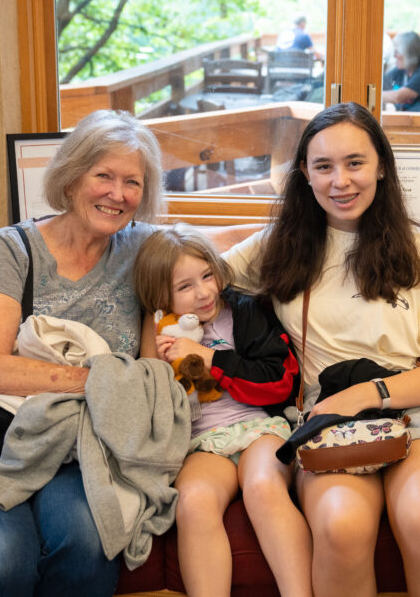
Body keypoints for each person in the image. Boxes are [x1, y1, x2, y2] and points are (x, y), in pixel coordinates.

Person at [224, 102, 420, 597]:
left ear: (381, 166)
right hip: (327, 411)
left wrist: (368, 393)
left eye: (355, 163)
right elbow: (196, 275)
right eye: (323, 166)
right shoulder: (278, 246)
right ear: (305, 174)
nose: (340, 180)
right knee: (342, 525)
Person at [0, 109, 164, 597]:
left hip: (75, 447)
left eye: (132, 182)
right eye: (103, 175)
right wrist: (105, 382)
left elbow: (232, 256)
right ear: (70, 180)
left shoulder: (145, 249)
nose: (118, 193)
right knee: (4, 559)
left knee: (88, 545)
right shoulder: (12, 248)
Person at [132, 225, 312, 597]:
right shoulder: (156, 329)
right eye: (185, 287)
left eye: (207, 276)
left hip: (259, 428)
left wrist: (208, 357)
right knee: (194, 502)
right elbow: (152, 403)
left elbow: (279, 380)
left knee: (263, 486)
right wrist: (157, 345)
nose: (203, 293)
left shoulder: (245, 312)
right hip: (202, 441)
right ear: (160, 298)